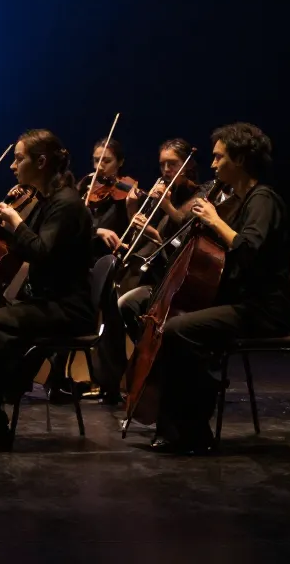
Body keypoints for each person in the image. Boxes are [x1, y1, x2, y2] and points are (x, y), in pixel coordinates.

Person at [135, 123, 290, 455]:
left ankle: (193, 429)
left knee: (178, 329)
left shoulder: (263, 199)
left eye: (219, 157)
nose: (213, 164)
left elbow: (249, 250)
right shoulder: (237, 200)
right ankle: (174, 426)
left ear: (240, 159)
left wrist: (214, 220)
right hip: (238, 301)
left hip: (263, 309)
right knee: (163, 317)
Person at [0, 129, 97, 450]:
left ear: (41, 162)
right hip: (46, 301)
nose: (12, 166)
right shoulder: (45, 199)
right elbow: (22, 247)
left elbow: (41, 251)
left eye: (19, 159)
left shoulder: (66, 204)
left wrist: (15, 221)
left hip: (67, 308)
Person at [94, 138, 200, 404]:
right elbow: (149, 239)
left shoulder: (200, 194)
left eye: (172, 164)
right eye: (162, 164)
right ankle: (126, 373)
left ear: (187, 165)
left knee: (124, 302)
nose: (166, 170)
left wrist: (164, 209)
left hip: (179, 280)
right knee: (115, 303)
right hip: (157, 274)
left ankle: (157, 365)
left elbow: (180, 238)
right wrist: (134, 213)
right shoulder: (165, 194)